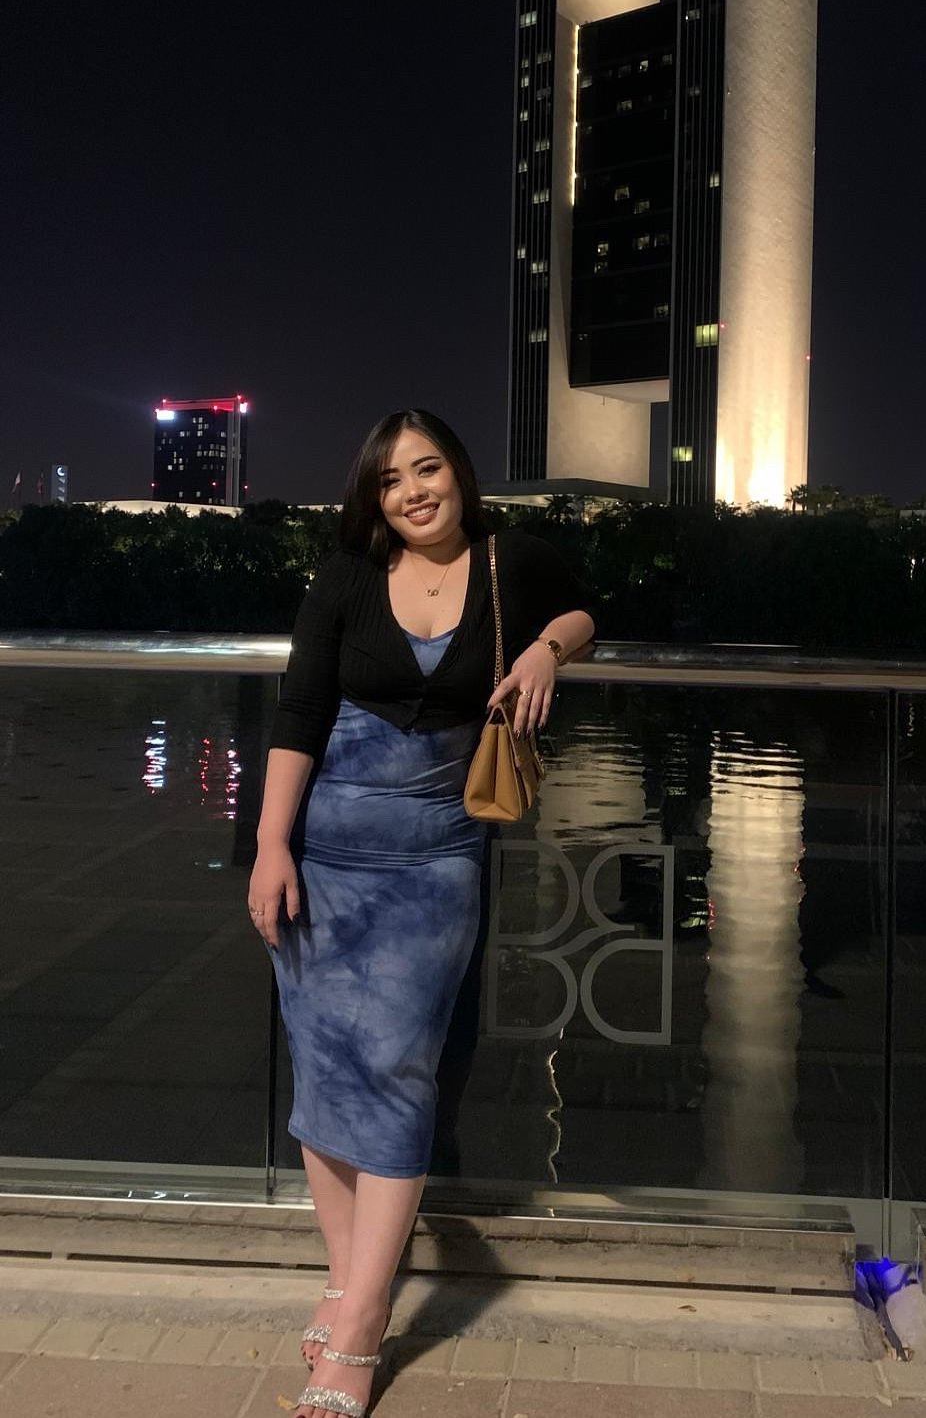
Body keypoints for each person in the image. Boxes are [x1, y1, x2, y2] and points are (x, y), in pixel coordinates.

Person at [248, 408, 596, 1418]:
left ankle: (361, 1327)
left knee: (400, 1070)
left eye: (427, 468)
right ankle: (346, 1282)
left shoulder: (507, 559)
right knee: (324, 1067)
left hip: (440, 850)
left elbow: (588, 607)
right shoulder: (345, 575)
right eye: (391, 479)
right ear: (374, 497)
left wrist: (546, 650)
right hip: (324, 850)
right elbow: (300, 710)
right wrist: (270, 843)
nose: (412, 491)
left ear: (459, 472)